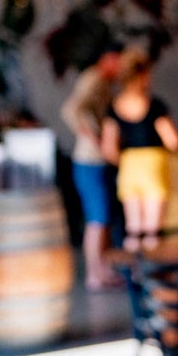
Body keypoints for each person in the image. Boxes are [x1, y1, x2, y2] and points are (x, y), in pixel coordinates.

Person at [100, 48, 178, 249]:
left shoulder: (114, 106)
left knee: (134, 229)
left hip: (129, 166)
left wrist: (125, 162)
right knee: (153, 230)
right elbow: (173, 141)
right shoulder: (154, 105)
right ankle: (153, 276)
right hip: (152, 165)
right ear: (143, 74)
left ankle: (135, 276)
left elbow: (108, 148)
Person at [61, 47, 122, 289]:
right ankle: (95, 273)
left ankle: (101, 270)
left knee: (101, 217)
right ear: (109, 58)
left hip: (94, 161)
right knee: (98, 217)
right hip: (90, 160)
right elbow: (71, 110)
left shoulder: (102, 82)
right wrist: (93, 137)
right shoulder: (94, 78)